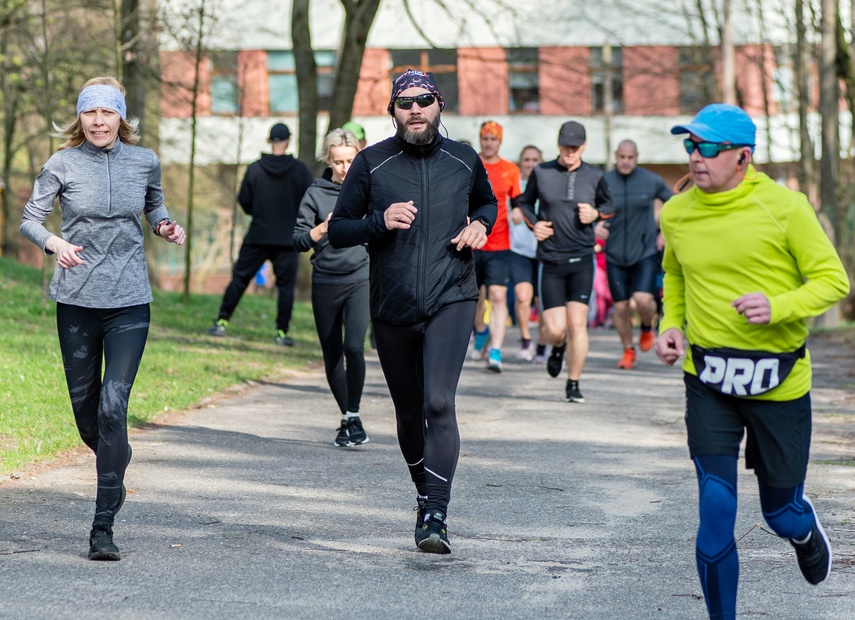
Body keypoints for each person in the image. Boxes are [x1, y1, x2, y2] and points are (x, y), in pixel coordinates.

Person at [656, 103, 849, 620]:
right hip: (709, 378)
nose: (696, 158)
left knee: (779, 513)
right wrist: (669, 325)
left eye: (709, 148)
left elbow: (834, 281)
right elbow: (674, 277)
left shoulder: (784, 207)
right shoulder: (677, 212)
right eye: (690, 146)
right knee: (716, 509)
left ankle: (805, 531)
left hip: (778, 382)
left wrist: (778, 306)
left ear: (742, 157)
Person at [328, 69, 497, 554]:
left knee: (438, 402)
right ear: (393, 111)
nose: (415, 109)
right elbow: (339, 229)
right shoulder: (371, 163)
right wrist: (378, 222)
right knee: (407, 411)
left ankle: (437, 513)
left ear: (439, 104)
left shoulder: (463, 159)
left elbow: (487, 203)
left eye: (424, 100)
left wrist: (481, 226)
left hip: (453, 295)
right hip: (394, 303)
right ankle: (423, 496)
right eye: (405, 102)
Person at [19, 76, 186, 561]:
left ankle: (102, 527)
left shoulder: (144, 161)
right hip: (76, 299)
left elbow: (154, 203)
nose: (98, 121)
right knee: (89, 419)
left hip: (130, 298)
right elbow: (30, 218)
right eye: (89, 113)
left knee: (115, 406)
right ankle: (116, 458)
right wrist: (54, 243)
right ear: (80, 119)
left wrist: (165, 225)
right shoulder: (61, 163)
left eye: (106, 112)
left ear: (120, 118)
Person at [519, 121, 613, 403]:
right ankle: (557, 347)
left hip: (582, 258)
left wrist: (595, 214)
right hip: (550, 261)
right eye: (565, 146)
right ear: (558, 145)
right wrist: (534, 225)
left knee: (578, 324)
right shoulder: (542, 171)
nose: (570, 151)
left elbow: (609, 207)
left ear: (583, 146)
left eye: (575, 146)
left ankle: (573, 383)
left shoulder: (595, 175)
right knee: (555, 330)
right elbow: (524, 203)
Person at [293, 129, 371, 448]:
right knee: (332, 353)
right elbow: (297, 240)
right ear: (328, 160)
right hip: (325, 279)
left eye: (350, 161)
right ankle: (348, 417)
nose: (344, 168)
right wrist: (322, 228)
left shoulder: (368, 188)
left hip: (360, 276)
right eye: (338, 162)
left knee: (354, 346)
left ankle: (352, 414)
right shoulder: (314, 194)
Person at [207, 123, 313, 345]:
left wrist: (260, 213)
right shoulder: (300, 170)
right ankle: (281, 333)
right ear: (289, 140)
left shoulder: (255, 169)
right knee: (285, 288)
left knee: (240, 279)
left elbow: (244, 200)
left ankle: (221, 323)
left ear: (269, 141)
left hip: (258, 235)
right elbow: (309, 201)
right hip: (287, 238)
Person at [601, 140, 674, 369]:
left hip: (644, 251)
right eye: (621, 157)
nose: (625, 161)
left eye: (630, 157)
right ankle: (628, 350)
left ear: (636, 157)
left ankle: (645, 327)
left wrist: (664, 232)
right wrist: (595, 225)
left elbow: (673, 204)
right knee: (621, 307)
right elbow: (591, 208)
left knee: (643, 300)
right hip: (614, 254)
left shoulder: (650, 180)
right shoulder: (605, 181)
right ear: (616, 156)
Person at [471, 121, 521, 372]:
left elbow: (519, 199)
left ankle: (496, 350)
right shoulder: (471, 163)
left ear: (500, 142)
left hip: (500, 243)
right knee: (475, 297)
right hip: (473, 241)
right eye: (485, 139)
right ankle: (480, 331)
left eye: (493, 139)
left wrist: (519, 212)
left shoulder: (510, 169)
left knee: (499, 296)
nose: (489, 143)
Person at [510, 145, 543, 362]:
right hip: (518, 249)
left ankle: (541, 345)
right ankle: (525, 340)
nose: (531, 164)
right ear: (521, 162)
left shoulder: (547, 186)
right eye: (527, 159)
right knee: (523, 297)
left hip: (544, 251)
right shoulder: (514, 187)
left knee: (544, 304)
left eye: (535, 160)